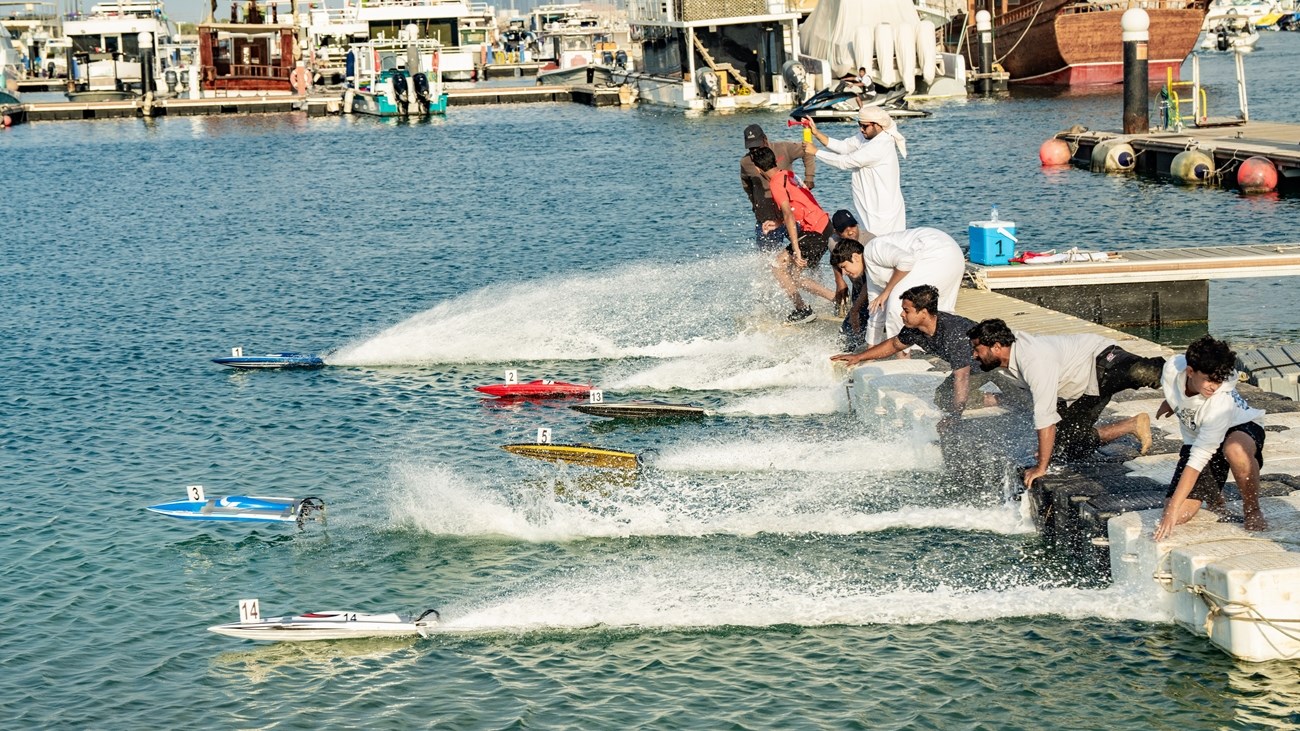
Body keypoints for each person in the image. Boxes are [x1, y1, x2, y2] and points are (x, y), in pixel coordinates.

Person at [967, 318, 1162, 489]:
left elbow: (1044, 417)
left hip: (1100, 359)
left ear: (997, 347)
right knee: (1065, 449)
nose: (974, 355)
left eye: (977, 349)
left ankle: (1186, 375)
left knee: (1142, 372)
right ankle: (1131, 424)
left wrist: (1040, 468)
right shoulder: (999, 365)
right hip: (1081, 391)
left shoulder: (1034, 360)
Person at [1154, 335, 1268, 540]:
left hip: (1241, 427)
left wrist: (1172, 508)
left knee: (1234, 450)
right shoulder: (1172, 367)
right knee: (1178, 515)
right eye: (1208, 379)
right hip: (1201, 436)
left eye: (1219, 381)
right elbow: (1178, 388)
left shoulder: (1219, 402)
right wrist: (1171, 401)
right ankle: (1215, 492)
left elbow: (1198, 459)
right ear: (1190, 371)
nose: (1213, 386)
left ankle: (1252, 509)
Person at [832, 284, 990, 428]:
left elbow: (961, 377)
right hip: (972, 368)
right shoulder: (915, 328)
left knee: (955, 403)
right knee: (942, 397)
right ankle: (990, 397)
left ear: (923, 312)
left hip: (993, 366)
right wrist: (859, 357)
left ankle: (1001, 398)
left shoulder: (953, 333)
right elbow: (894, 344)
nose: (901, 314)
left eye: (906, 310)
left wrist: (954, 418)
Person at [749, 145, 841, 323]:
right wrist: (778, 222)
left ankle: (803, 310)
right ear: (775, 161)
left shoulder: (775, 183)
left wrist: (796, 250)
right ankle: (838, 299)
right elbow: (797, 204)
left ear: (758, 169)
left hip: (814, 231)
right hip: (824, 226)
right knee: (794, 277)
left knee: (778, 266)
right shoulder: (788, 174)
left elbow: (789, 215)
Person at [830, 227, 964, 346]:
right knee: (939, 311)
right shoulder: (871, 275)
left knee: (896, 306)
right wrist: (869, 352)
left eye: (844, 267)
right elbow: (875, 313)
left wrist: (886, 292)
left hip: (939, 251)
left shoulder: (873, 249)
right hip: (952, 258)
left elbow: (906, 261)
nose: (844, 273)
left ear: (855, 257)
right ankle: (957, 345)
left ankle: (904, 358)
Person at [805, 106, 906, 236]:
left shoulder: (881, 144)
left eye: (864, 126)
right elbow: (844, 147)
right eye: (859, 124)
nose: (861, 129)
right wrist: (816, 133)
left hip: (883, 210)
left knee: (883, 245)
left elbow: (845, 161)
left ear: (877, 125)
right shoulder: (867, 136)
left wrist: (816, 152)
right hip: (868, 206)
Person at [740, 123, 816, 251]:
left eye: (757, 146)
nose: (755, 151)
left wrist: (809, 178)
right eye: (751, 149)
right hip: (767, 217)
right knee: (768, 261)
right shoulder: (745, 162)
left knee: (805, 254)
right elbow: (747, 186)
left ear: (765, 139)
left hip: (792, 214)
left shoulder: (783, 148)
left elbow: (807, 149)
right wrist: (755, 204)